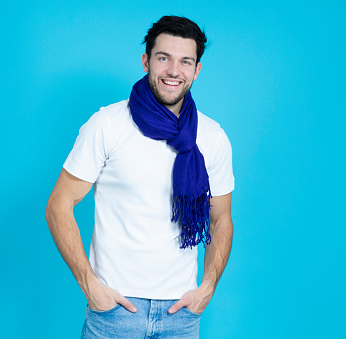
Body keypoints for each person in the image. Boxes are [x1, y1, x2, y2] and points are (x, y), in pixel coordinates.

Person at [46, 15, 234, 339]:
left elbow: (221, 219)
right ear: (146, 61)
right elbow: (58, 205)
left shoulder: (213, 137)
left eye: (185, 61)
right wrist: (90, 285)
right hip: (114, 312)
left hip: (182, 314)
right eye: (164, 58)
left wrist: (208, 286)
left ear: (197, 70)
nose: (174, 71)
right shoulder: (108, 124)